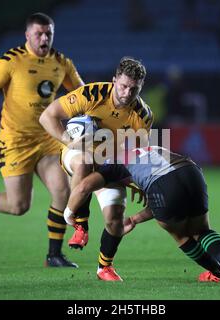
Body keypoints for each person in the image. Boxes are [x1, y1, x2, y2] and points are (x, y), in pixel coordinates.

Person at [0, 13, 84, 268]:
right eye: (39, 34)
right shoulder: (11, 60)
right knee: (19, 206)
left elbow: (80, 93)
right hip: (15, 140)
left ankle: (54, 255)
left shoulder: (61, 62)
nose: (44, 38)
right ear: (27, 36)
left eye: (48, 34)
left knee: (63, 191)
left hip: (47, 139)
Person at [39, 57, 153, 280]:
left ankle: (105, 267)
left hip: (109, 163)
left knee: (114, 218)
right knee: (84, 162)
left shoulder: (143, 115)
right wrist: (67, 140)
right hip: (76, 153)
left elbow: (140, 154)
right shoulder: (91, 94)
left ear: (140, 88)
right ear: (113, 81)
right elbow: (47, 116)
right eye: (123, 86)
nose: (127, 93)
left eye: (134, 89)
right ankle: (80, 224)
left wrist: (136, 181)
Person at [64, 146, 220, 285]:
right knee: (202, 230)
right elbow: (164, 201)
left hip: (163, 182)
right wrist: (135, 219)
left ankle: (217, 272)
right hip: (191, 171)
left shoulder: (111, 163)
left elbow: (83, 187)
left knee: (181, 235)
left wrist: (70, 214)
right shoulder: (142, 149)